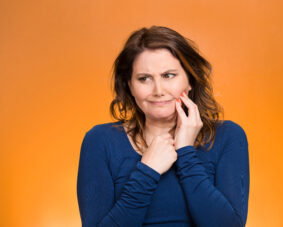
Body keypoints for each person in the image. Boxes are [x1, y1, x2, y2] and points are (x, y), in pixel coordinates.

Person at [77, 25, 250, 227]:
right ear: (130, 86)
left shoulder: (227, 136)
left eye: (169, 75)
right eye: (144, 78)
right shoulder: (100, 141)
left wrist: (186, 152)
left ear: (190, 80)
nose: (158, 90)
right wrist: (147, 171)